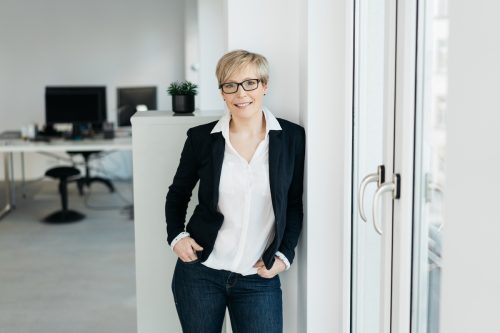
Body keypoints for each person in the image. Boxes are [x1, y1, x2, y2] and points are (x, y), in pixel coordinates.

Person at [165, 49, 305, 333]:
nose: (241, 93)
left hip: (258, 278)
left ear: (264, 86)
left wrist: (285, 255)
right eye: (230, 85)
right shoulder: (202, 139)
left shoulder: (291, 138)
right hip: (200, 273)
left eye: (250, 83)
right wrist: (176, 236)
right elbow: (178, 193)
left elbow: (292, 203)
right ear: (223, 93)